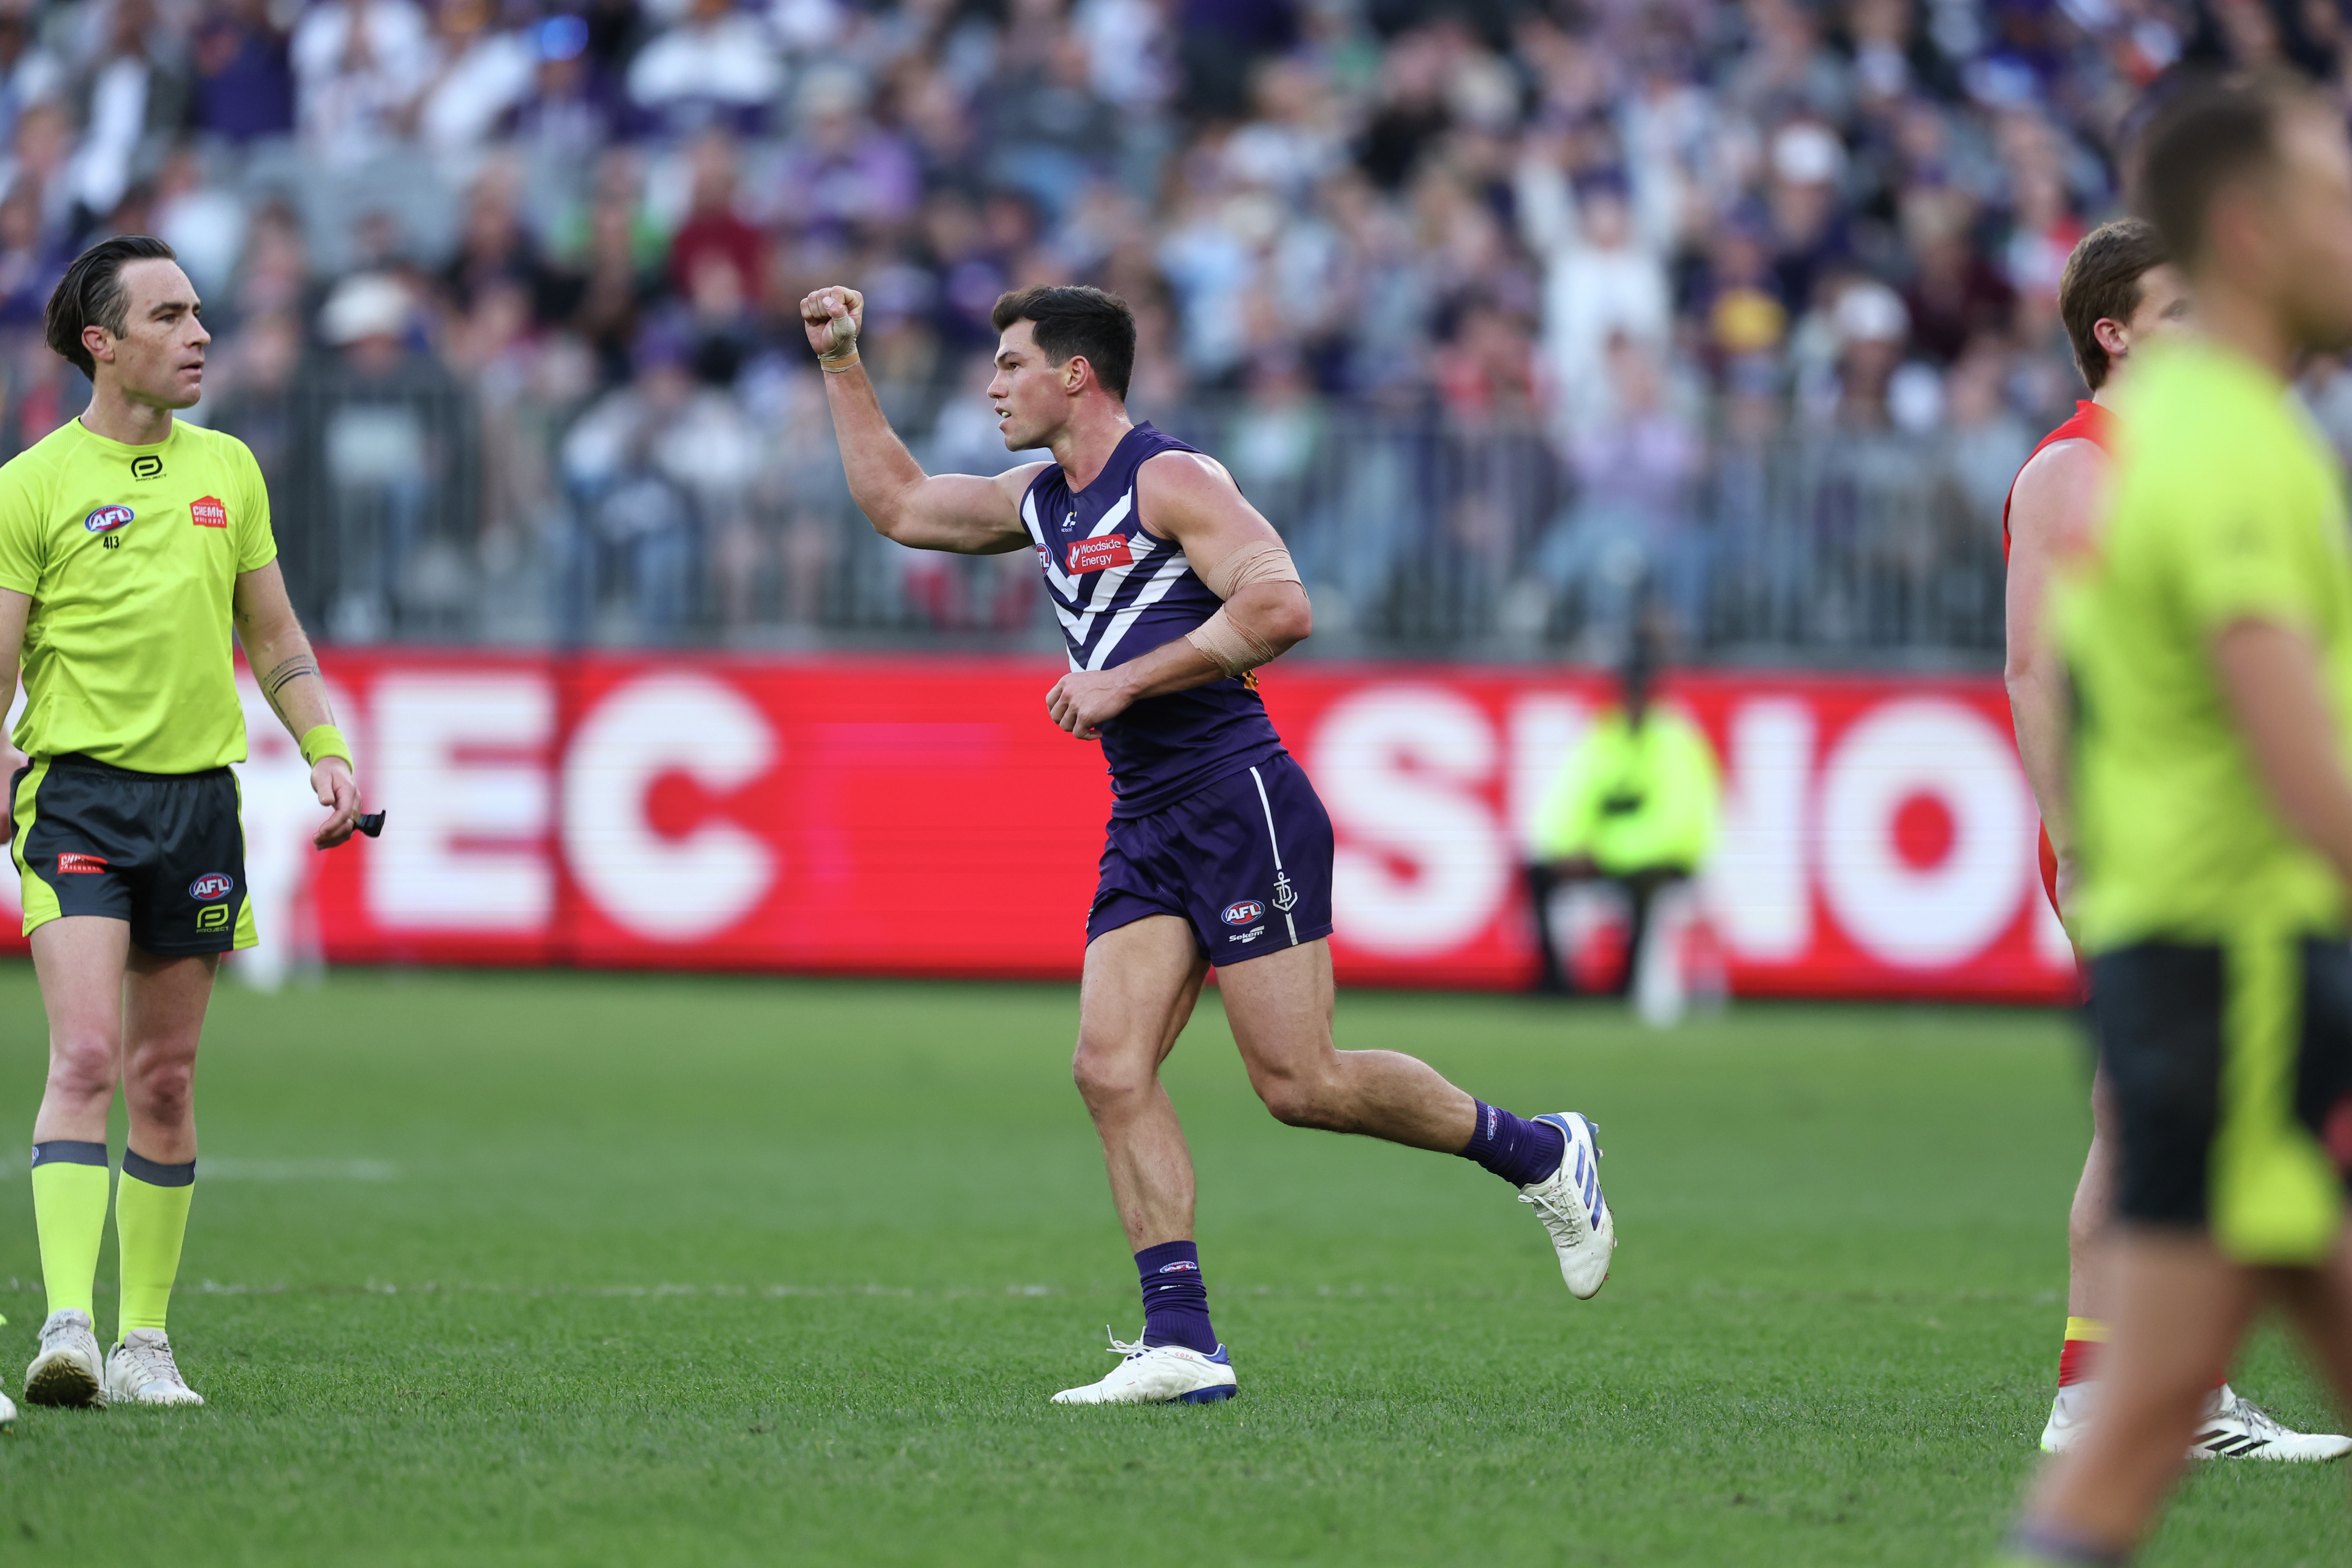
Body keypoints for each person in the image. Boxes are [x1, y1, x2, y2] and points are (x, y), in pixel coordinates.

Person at [801, 280, 1616, 1405]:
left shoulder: (1171, 479)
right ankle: (1182, 1340)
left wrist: (1121, 680)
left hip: (1240, 799)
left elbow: (1281, 605)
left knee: (1301, 1082)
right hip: (1148, 815)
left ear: (1075, 375)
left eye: (1011, 364)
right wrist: (842, 360)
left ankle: (1540, 1152)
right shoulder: (1044, 500)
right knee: (1108, 1066)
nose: (991, 385)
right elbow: (901, 505)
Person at [1998, 73, 2352, 1565]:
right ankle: (2108, 1401)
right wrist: (2077, 839)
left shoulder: (2223, 438)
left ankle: (2124, 1401)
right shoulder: (2144, 456)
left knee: (2223, 1220)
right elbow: (2053, 669)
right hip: (2209, 896)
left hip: (2220, 894)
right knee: (2188, 1179)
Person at [10, 235, 366, 1410]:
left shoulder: (231, 470)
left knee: (164, 1079)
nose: (200, 333)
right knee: (89, 1056)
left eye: (201, 313)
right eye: (169, 316)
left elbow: (274, 637)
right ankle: (67, 1323)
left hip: (199, 804)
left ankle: (145, 1343)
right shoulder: (32, 485)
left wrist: (325, 746)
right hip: (78, 797)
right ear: (102, 346)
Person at [1526, 634, 1719, 1006]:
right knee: (1536, 873)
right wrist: (1566, 851)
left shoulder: (1676, 741)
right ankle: (1556, 981)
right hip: (1610, 856)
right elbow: (1570, 802)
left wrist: (1604, 852)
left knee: (1645, 885)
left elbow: (1677, 823)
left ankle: (1627, 986)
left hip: (1665, 861)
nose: (1631, 698)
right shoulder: (1604, 736)